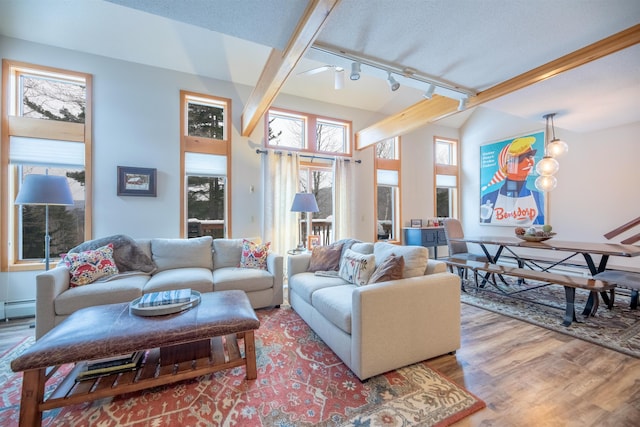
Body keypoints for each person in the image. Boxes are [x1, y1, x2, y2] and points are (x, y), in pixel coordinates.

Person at [480, 136, 544, 226]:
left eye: (530, 155)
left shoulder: (538, 196)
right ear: (507, 166)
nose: (528, 161)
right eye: (521, 158)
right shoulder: (488, 199)